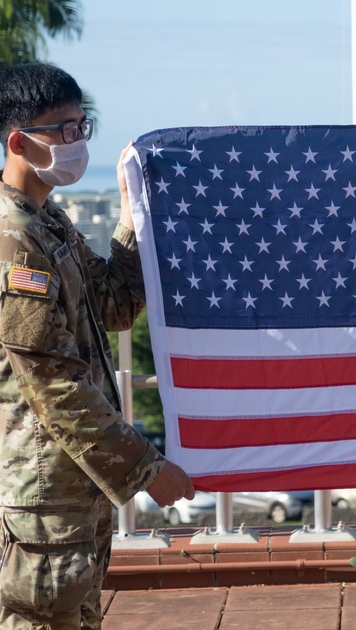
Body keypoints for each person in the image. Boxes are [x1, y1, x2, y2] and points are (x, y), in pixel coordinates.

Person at [0, 63, 194, 629]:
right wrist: (143, 467)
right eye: (61, 130)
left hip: (69, 489)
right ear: (18, 142)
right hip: (41, 496)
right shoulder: (15, 241)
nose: (76, 141)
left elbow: (112, 305)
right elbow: (53, 384)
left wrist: (133, 216)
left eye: (81, 125)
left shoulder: (47, 220)